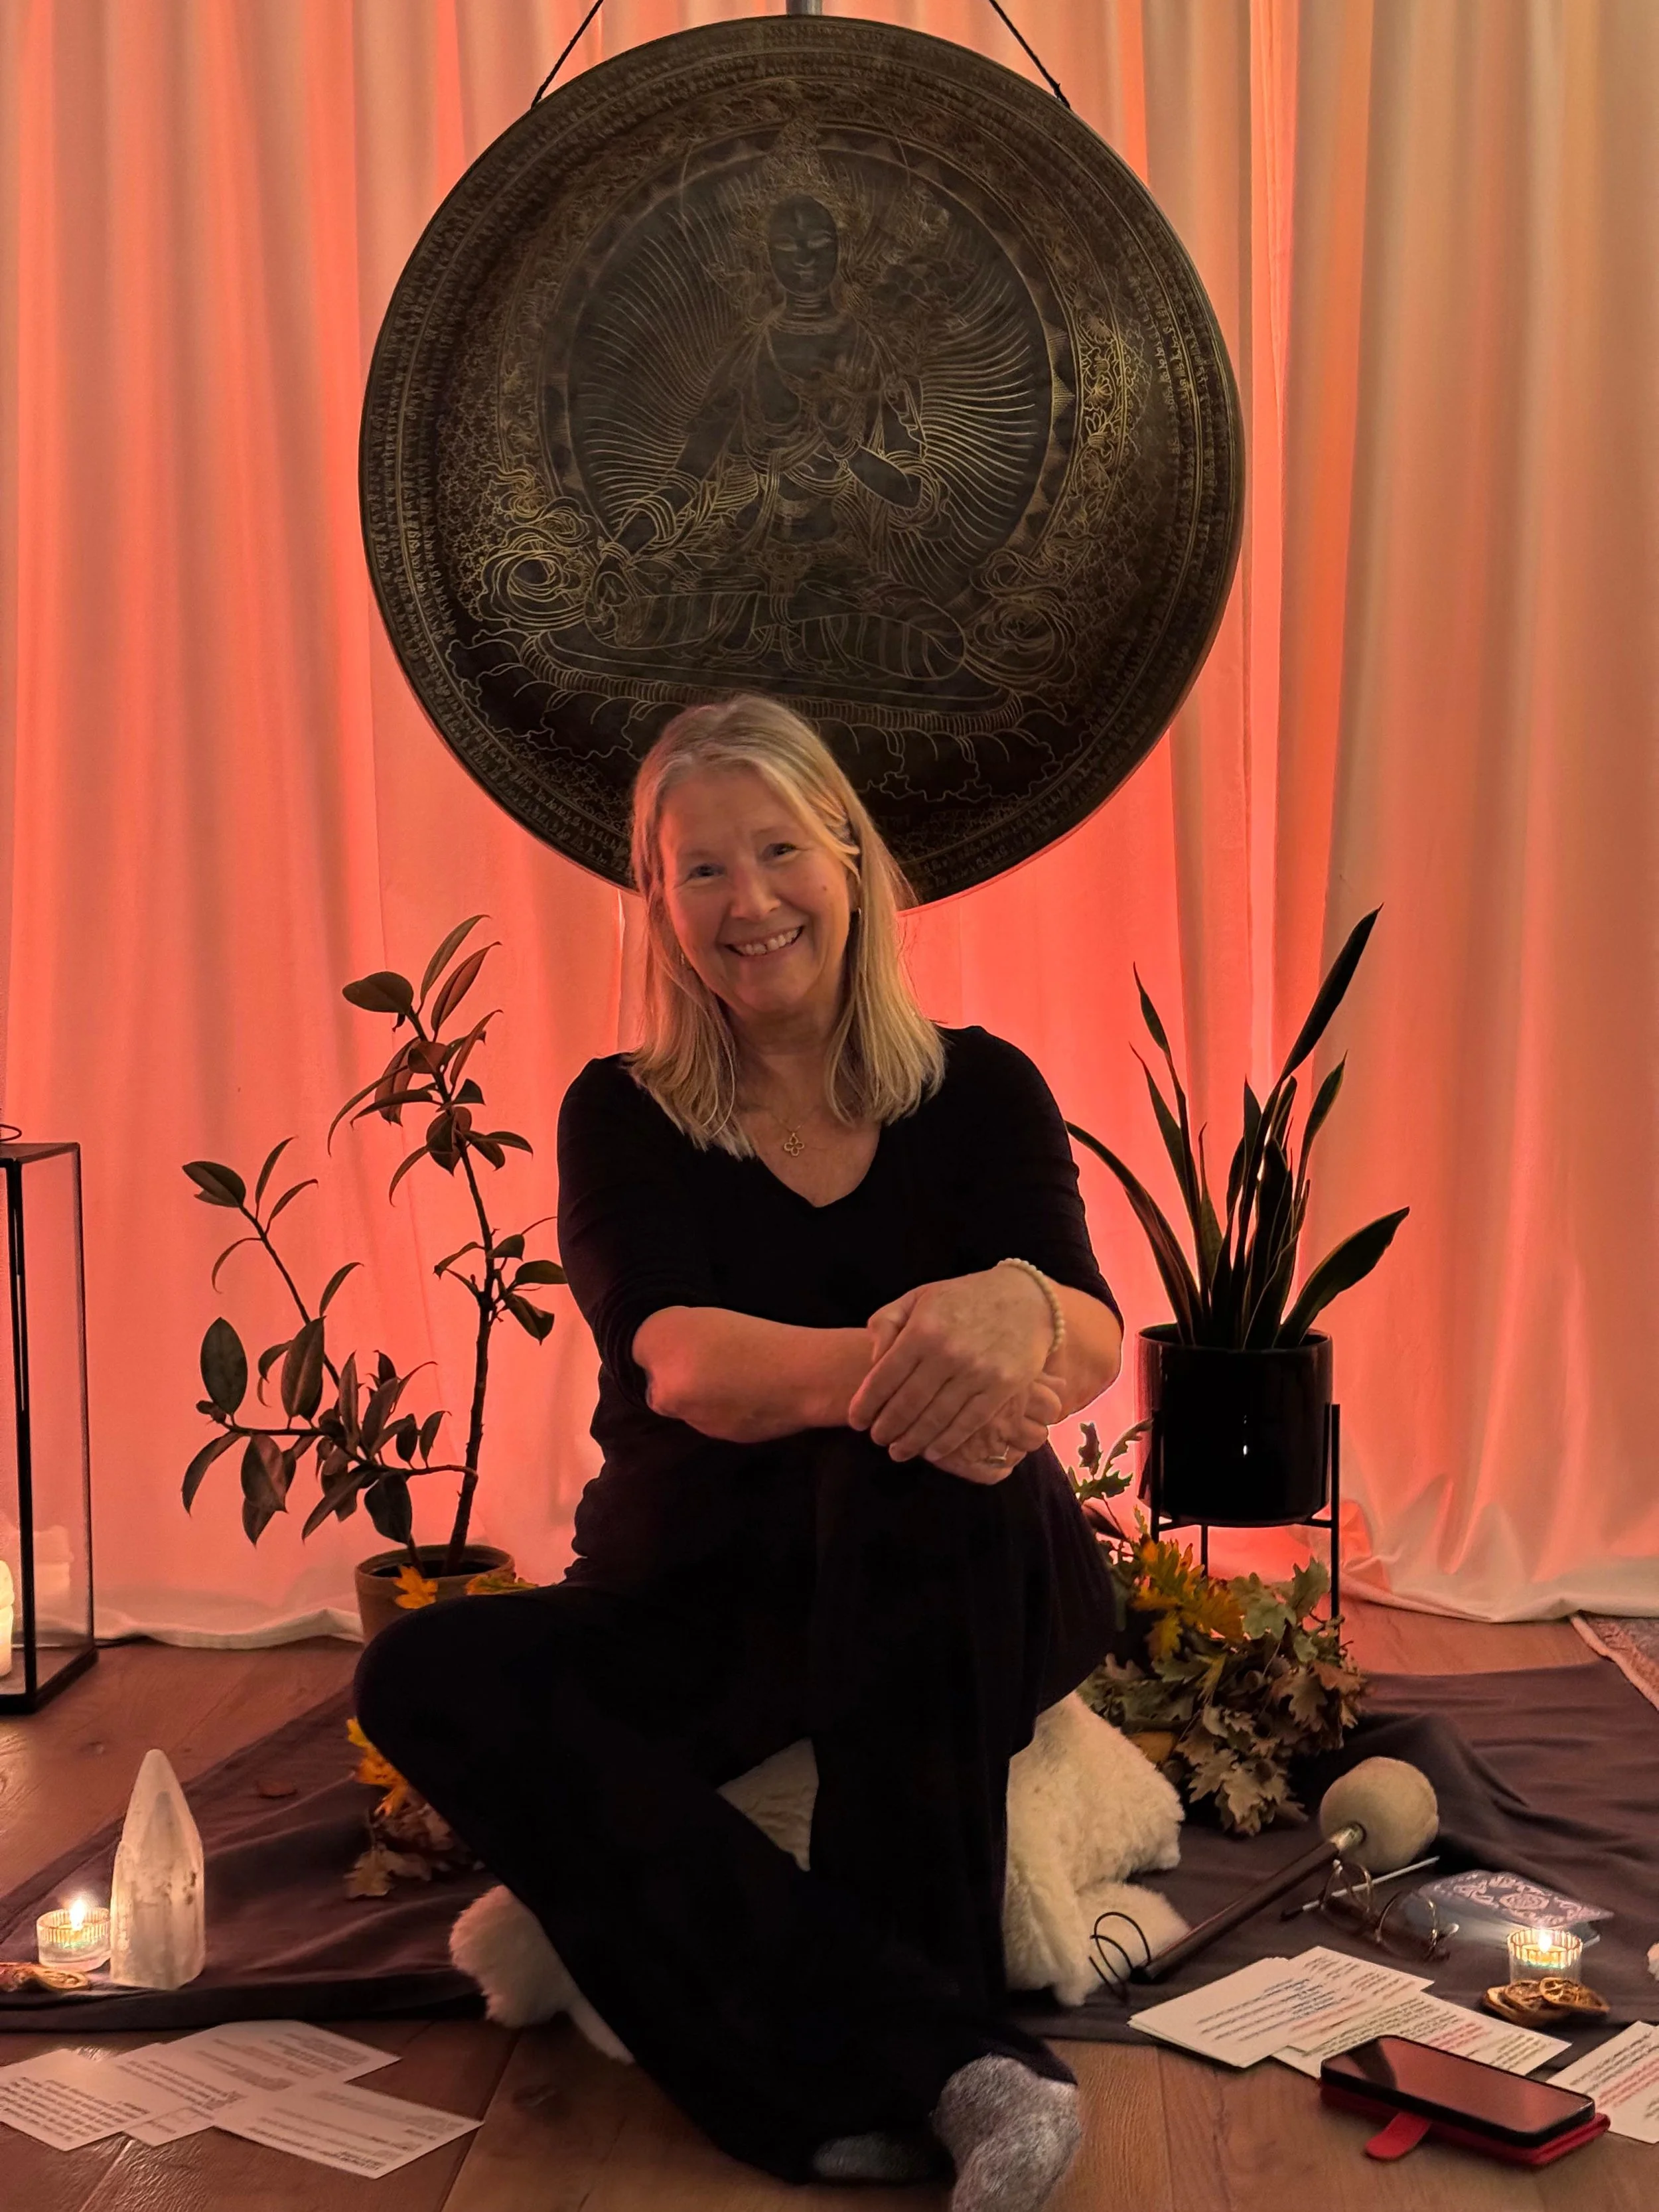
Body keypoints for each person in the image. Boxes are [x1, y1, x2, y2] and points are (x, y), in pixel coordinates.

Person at [355, 694, 1125, 2211]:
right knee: (419, 1674)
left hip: (965, 1572)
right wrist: (928, 1353)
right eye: (698, 870)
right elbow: (688, 1364)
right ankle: (956, 2068)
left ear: (848, 859)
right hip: (697, 1598)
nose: (747, 899)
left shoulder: (980, 1091)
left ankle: (860, 2080)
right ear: (656, 904)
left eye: (778, 849)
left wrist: (1023, 1303)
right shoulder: (623, 1113)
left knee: (918, 1474)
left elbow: (1092, 1341)